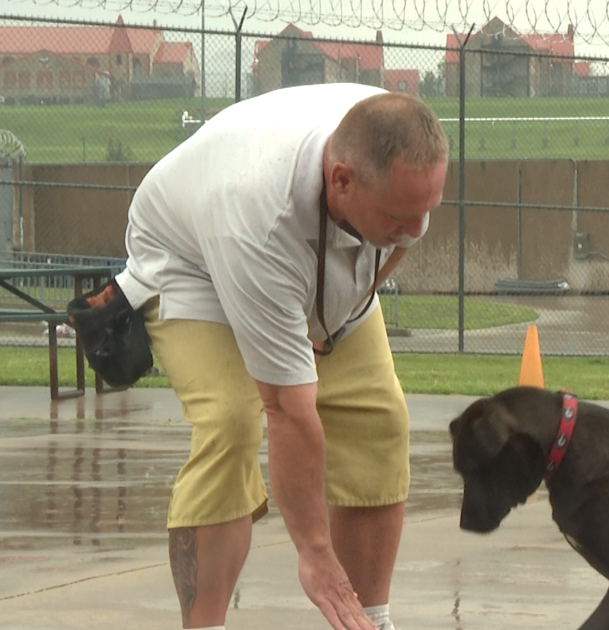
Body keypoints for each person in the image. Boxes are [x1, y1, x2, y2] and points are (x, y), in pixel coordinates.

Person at [114, 83, 448, 630]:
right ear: (342, 179)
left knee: (378, 418)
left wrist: (337, 317)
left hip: (303, 247)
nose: (416, 230)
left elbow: (398, 243)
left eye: (426, 210)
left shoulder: (398, 154)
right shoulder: (258, 222)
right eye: (400, 216)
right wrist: (314, 553)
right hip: (189, 260)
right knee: (231, 423)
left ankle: (365, 621)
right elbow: (288, 411)